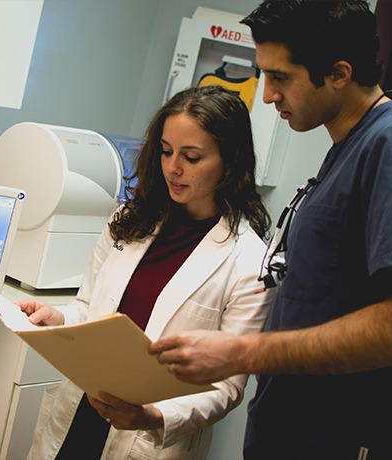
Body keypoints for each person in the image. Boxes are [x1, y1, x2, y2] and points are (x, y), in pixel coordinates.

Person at [150, 1, 392, 459]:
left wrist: (243, 354)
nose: (268, 94)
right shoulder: (347, 148)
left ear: (338, 73)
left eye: (281, 77)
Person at [17, 85, 275, 459]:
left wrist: (151, 416)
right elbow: (88, 308)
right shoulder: (130, 220)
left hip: (149, 435)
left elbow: (226, 387)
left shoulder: (249, 263)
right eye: (166, 151)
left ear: (229, 162)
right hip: (81, 410)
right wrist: (58, 319)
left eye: (192, 156)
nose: (173, 167)